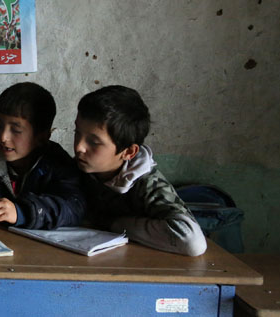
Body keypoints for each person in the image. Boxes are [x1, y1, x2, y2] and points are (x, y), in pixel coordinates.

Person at [73, 85, 207, 256]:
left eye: (94, 142)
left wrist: (112, 224)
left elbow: (192, 242)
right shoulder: (73, 169)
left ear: (128, 152)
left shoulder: (147, 184)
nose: (79, 147)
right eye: (77, 132)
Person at [0, 82, 86, 229]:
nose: (3, 137)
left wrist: (21, 212)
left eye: (16, 130)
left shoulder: (59, 165)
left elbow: (72, 208)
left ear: (42, 136)